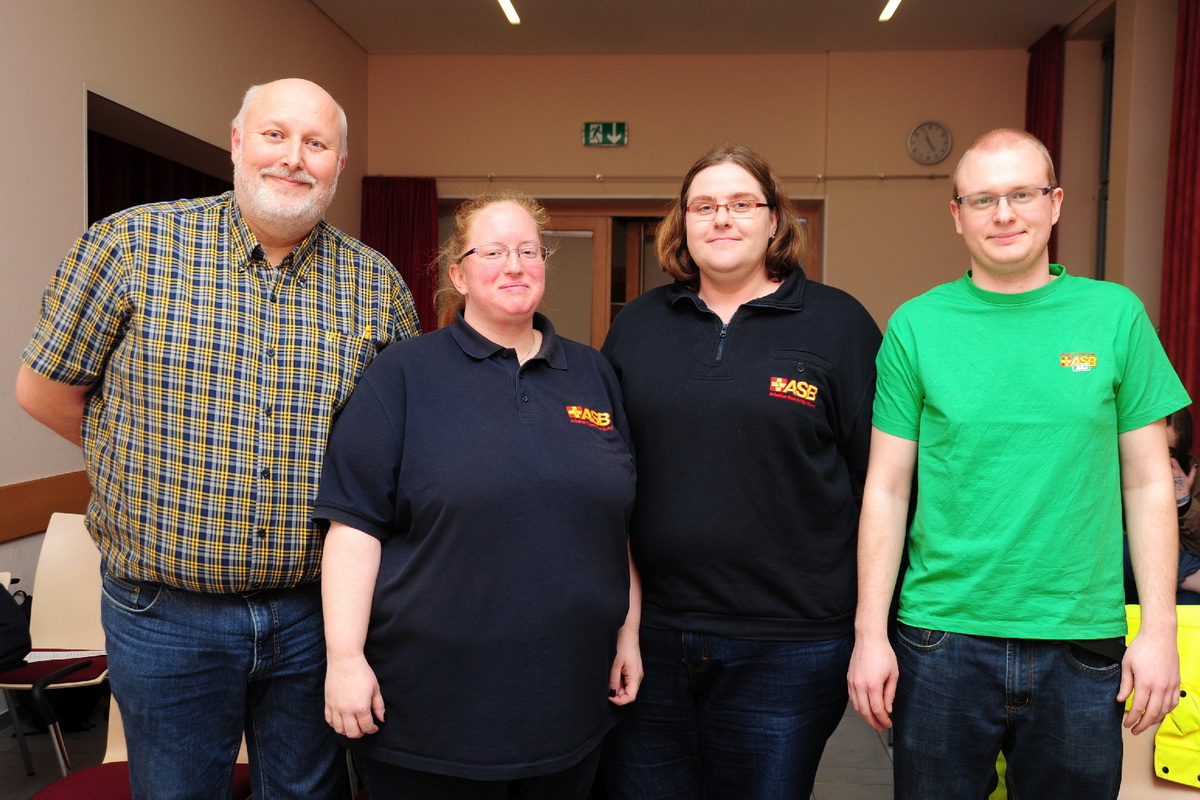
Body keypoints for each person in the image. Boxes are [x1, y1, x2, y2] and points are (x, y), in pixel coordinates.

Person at [16, 78, 420, 799]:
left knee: (307, 793)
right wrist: (134, 458)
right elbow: (43, 391)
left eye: (317, 144)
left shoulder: (376, 284)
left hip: (313, 615)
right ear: (237, 142)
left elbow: (398, 443)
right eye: (275, 135)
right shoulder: (130, 245)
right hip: (165, 613)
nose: (294, 158)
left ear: (339, 162)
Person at [847, 128, 1188, 799]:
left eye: (1022, 194)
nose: (1004, 214)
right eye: (983, 199)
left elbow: (1150, 482)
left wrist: (1159, 628)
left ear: (1056, 203)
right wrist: (869, 634)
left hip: (1080, 641)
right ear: (957, 216)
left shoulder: (1115, 315)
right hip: (941, 636)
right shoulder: (918, 325)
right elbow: (885, 488)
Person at [316, 192, 641, 800]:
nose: (514, 265)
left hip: (568, 702)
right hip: (430, 711)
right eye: (492, 251)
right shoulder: (403, 375)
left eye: (527, 250)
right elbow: (354, 530)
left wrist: (628, 632)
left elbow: (615, 524)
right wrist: (345, 658)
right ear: (458, 274)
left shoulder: (594, 374)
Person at [600, 144, 882, 799]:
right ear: (683, 223)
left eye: (741, 204)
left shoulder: (839, 325)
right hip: (651, 638)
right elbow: (607, 476)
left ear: (776, 219)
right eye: (704, 206)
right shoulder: (639, 325)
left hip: (789, 644)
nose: (721, 219)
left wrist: (872, 629)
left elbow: (880, 485)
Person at [1169, 409, 1200, 596]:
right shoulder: (1115, 473)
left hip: (1180, 585)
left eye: (1168, 451)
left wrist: (1185, 505)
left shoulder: (1194, 476)